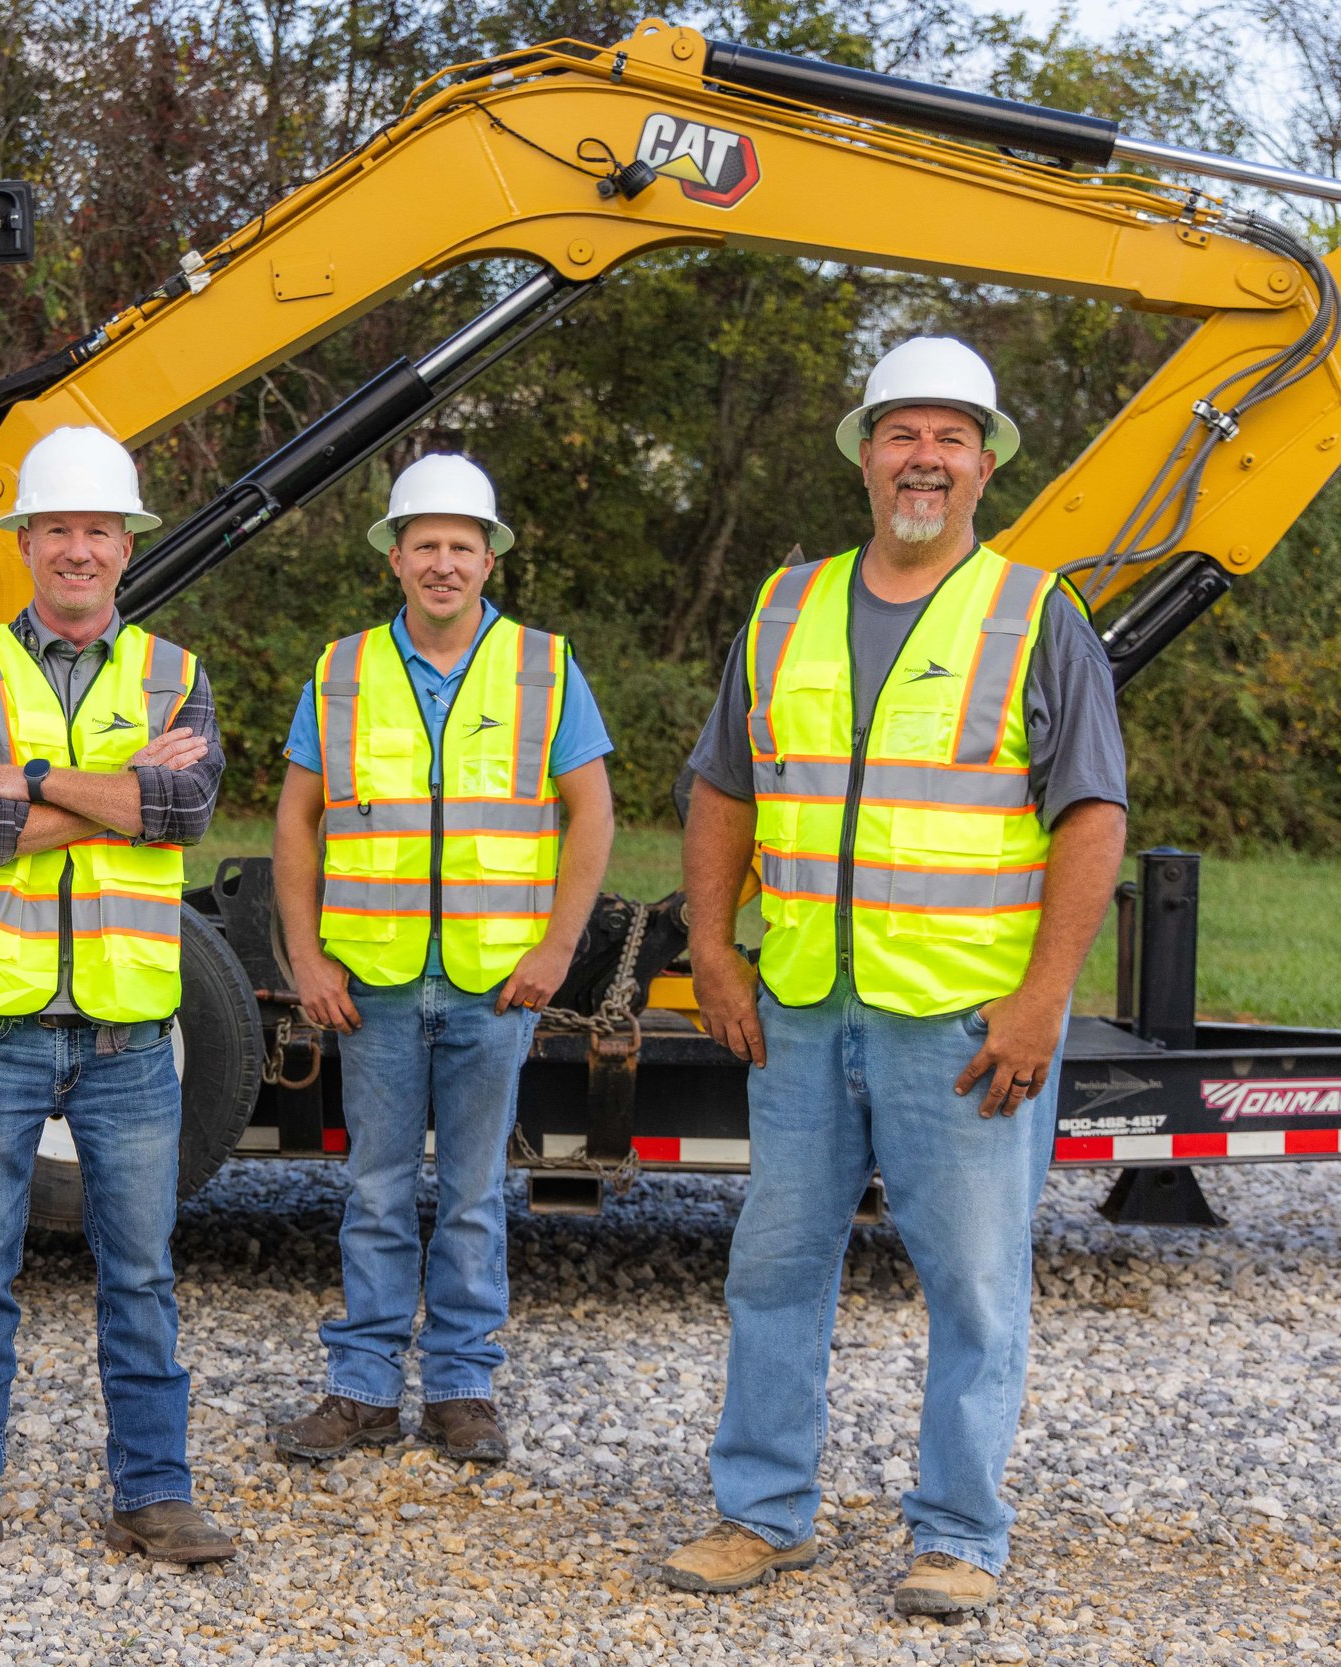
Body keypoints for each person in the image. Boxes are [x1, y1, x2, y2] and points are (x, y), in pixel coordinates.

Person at [651, 337, 1127, 1617]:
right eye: (901, 432)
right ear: (864, 453)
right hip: (804, 1005)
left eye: (950, 436)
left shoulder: (1035, 612)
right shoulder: (784, 604)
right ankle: (761, 1515)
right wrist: (710, 947)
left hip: (963, 1022)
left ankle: (960, 1531)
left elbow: (1091, 814)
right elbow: (722, 787)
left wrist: (1044, 998)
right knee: (774, 1268)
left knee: (973, 1285)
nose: (924, 457)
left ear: (984, 464)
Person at [0, 426, 234, 1567]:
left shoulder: (179, 672)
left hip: (132, 1034)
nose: (78, 548)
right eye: (58, 529)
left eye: (99, 528)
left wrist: (30, 779)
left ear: (125, 545)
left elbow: (181, 814)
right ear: (26, 541)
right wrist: (120, 787)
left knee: (141, 1277)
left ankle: (154, 1492)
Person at [266, 453, 616, 1464]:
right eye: (425, 543)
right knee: (374, 1189)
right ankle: (364, 1387)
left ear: (489, 555)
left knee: (470, 1194)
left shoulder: (544, 665)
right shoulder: (340, 670)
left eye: (462, 544)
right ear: (395, 556)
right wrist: (306, 953)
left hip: (492, 979)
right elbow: (297, 817)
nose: (443, 563)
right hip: (368, 978)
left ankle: (462, 1387)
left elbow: (588, 809)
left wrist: (558, 943)